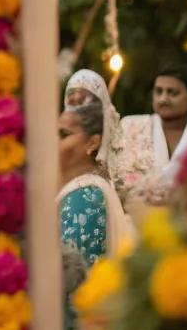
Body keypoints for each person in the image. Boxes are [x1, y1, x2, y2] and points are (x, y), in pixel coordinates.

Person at [111, 63, 187, 220]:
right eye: (158, 91)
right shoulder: (132, 126)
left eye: (172, 93)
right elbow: (116, 178)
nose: (163, 98)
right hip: (138, 223)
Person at [57, 91, 133, 267]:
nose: (54, 141)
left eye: (64, 134)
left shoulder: (84, 196)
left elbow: (77, 276)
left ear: (92, 142)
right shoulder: (80, 187)